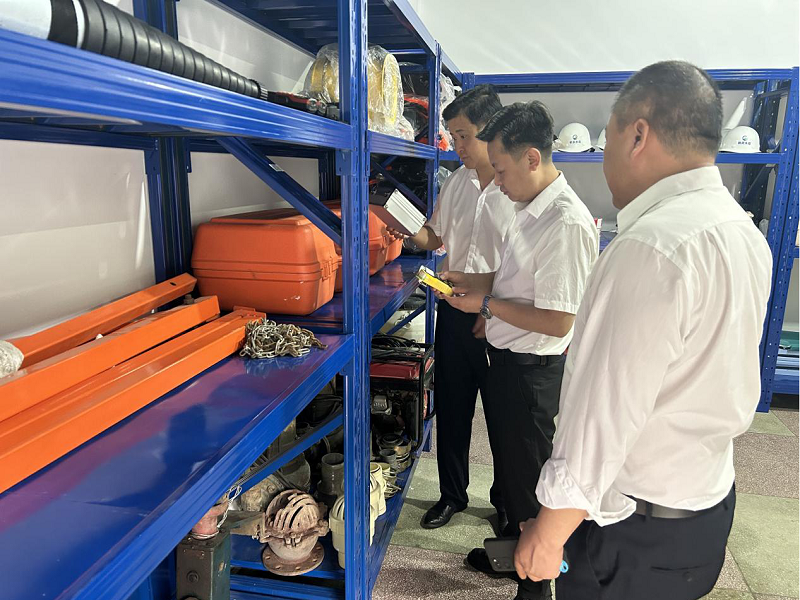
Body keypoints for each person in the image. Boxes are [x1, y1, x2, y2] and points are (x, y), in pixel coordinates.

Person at [513, 61, 773, 600]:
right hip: (705, 504)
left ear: (637, 135)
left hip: (635, 528)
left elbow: (605, 411)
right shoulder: (742, 230)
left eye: (607, 137)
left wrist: (550, 530)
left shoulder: (649, 247)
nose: (604, 154)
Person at [441, 101, 598, 600]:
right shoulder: (529, 209)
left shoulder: (565, 222)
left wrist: (486, 304)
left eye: (502, 170)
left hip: (533, 373)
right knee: (512, 475)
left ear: (532, 158)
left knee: (532, 486)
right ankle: (514, 557)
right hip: (508, 364)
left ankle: (537, 585)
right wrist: (474, 281)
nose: (498, 182)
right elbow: (516, 281)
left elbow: (559, 318)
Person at [402, 84, 516, 531]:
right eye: (453, 136)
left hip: (499, 316)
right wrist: (404, 227)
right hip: (452, 311)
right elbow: (435, 236)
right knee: (452, 409)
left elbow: (523, 268)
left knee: (503, 417)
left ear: (492, 130)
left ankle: (505, 503)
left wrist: (490, 310)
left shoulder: (517, 191)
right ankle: (452, 495)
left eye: (464, 135)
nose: (457, 146)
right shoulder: (455, 182)